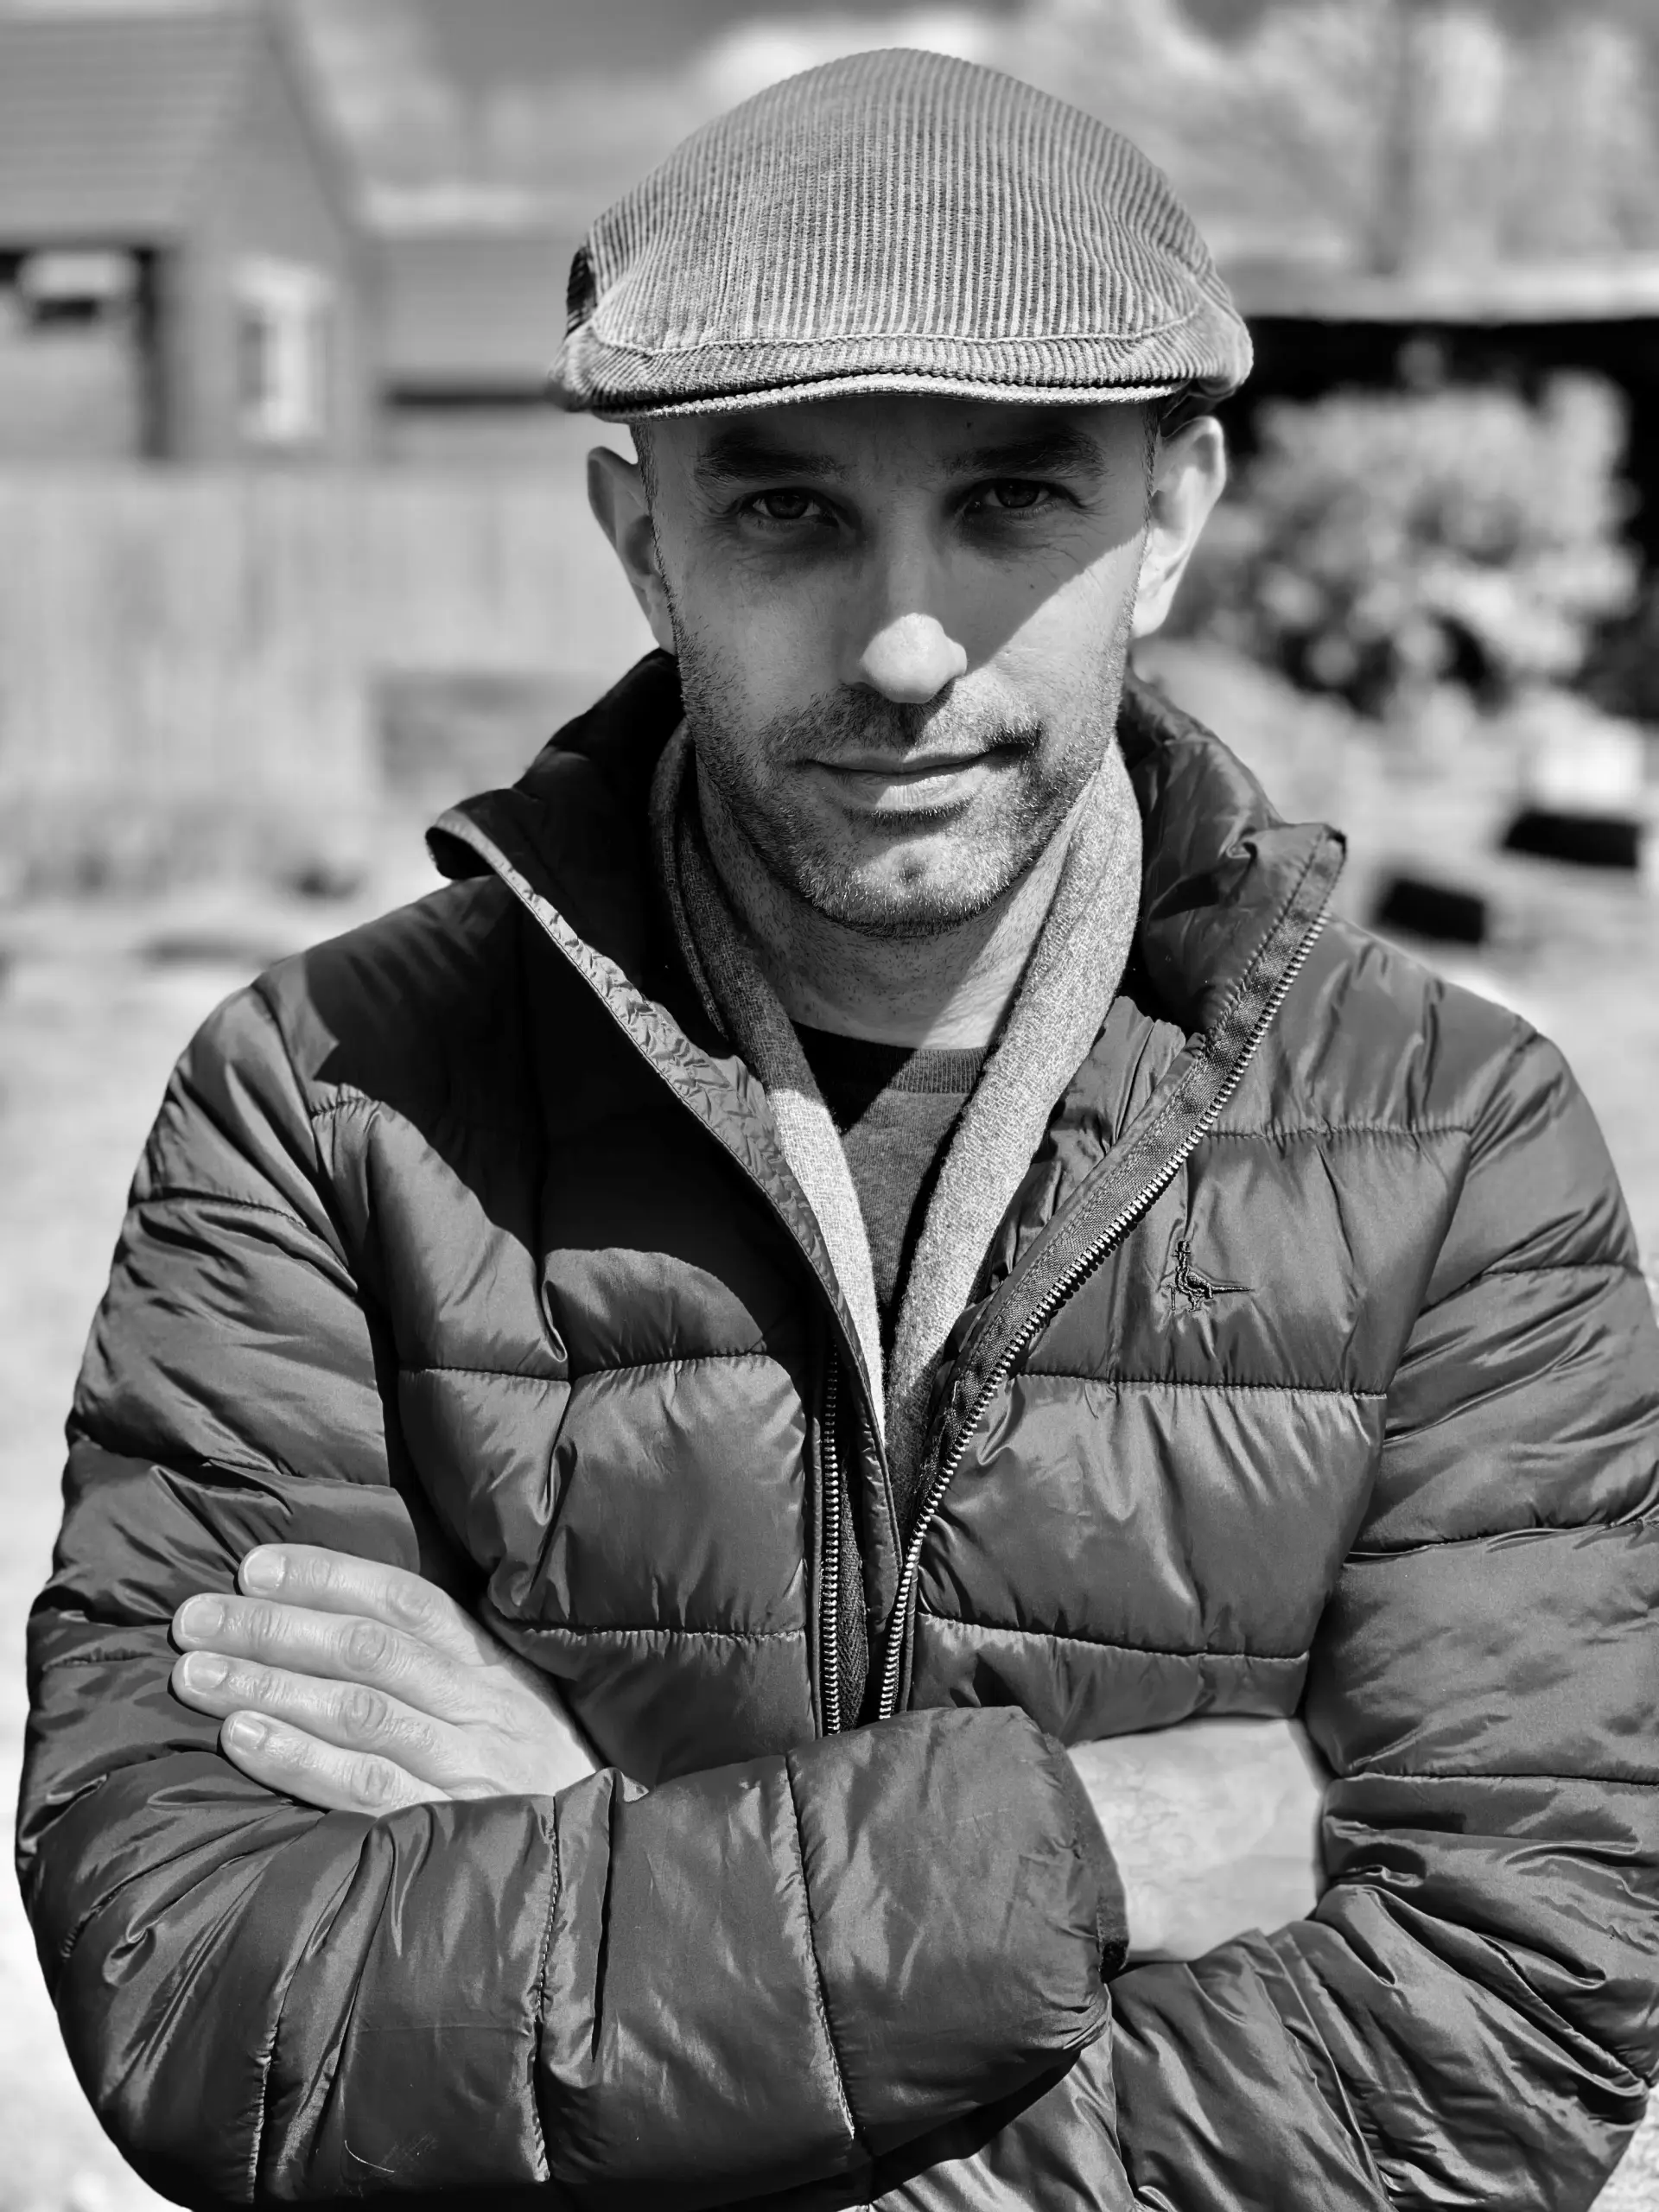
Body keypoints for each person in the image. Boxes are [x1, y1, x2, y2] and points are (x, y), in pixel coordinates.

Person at [18, 48, 1658, 2212]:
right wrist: (1092, 1847)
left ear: (1171, 519)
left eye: (1013, 502)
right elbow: (216, 1998)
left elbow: (1501, 2036)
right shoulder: (326, 1099)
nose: (902, 643)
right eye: (786, 510)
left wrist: (590, 1848)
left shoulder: (1452, 1145)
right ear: (643, 539)